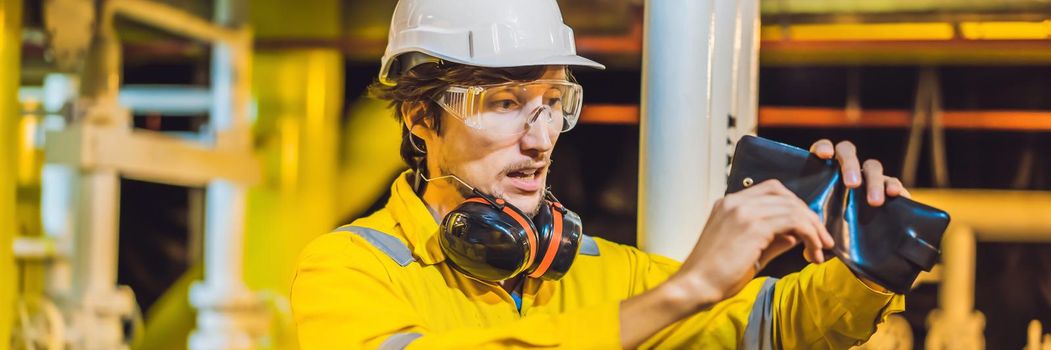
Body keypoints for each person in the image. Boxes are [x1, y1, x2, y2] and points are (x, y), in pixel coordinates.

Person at [290, 0, 912, 348]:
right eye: (505, 103)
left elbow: (776, 326)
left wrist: (868, 266)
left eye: (553, 102)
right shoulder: (348, 269)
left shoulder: (609, 272)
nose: (540, 140)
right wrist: (681, 293)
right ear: (421, 117)